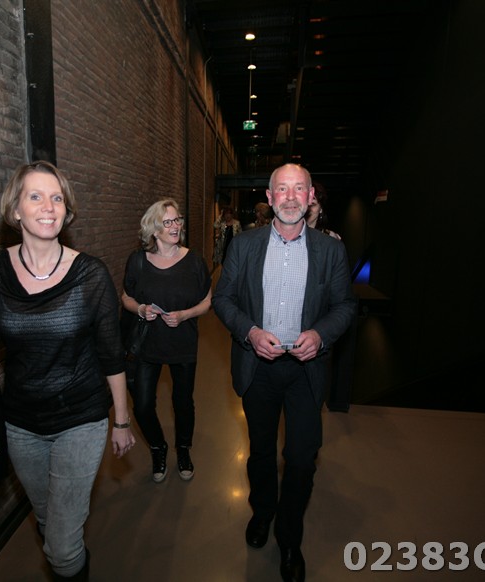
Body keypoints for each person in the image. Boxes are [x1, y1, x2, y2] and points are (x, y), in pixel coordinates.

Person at [0, 160, 135, 581]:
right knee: (48, 522)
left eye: (57, 198)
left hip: (81, 417)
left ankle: (68, 557)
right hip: (21, 424)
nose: (49, 206)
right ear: (15, 209)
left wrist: (121, 419)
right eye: (36, 196)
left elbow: (111, 354)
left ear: (66, 210)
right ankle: (70, 551)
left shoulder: (90, 274)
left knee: (59, 548)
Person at [212, 164, 356, 582]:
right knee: (260, 452)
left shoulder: (330, 251)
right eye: (282, 189)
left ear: (310, 197)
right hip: (258, 368)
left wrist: (320, 334)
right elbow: (223, 299)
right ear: (270, 197)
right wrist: (250, 332)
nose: (290, 197)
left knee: (301, 459)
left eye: (299, 189)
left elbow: (345, 306)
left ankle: (290, 537)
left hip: (306, 372)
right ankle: (263, 512)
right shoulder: (244, 245)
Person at [121, 199, 211, 482]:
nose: (175, 226)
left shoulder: (194, 262)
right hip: (147, 345)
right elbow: (126, 297)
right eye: (167, 222)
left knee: (183, 402)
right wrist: (141, 309)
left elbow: (207, 301)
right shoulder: (137, 261)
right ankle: (157, 447)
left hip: (182, 343)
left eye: (177, 220)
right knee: (142, 405)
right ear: (153, 229)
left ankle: (183, 450)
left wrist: (185, 315)